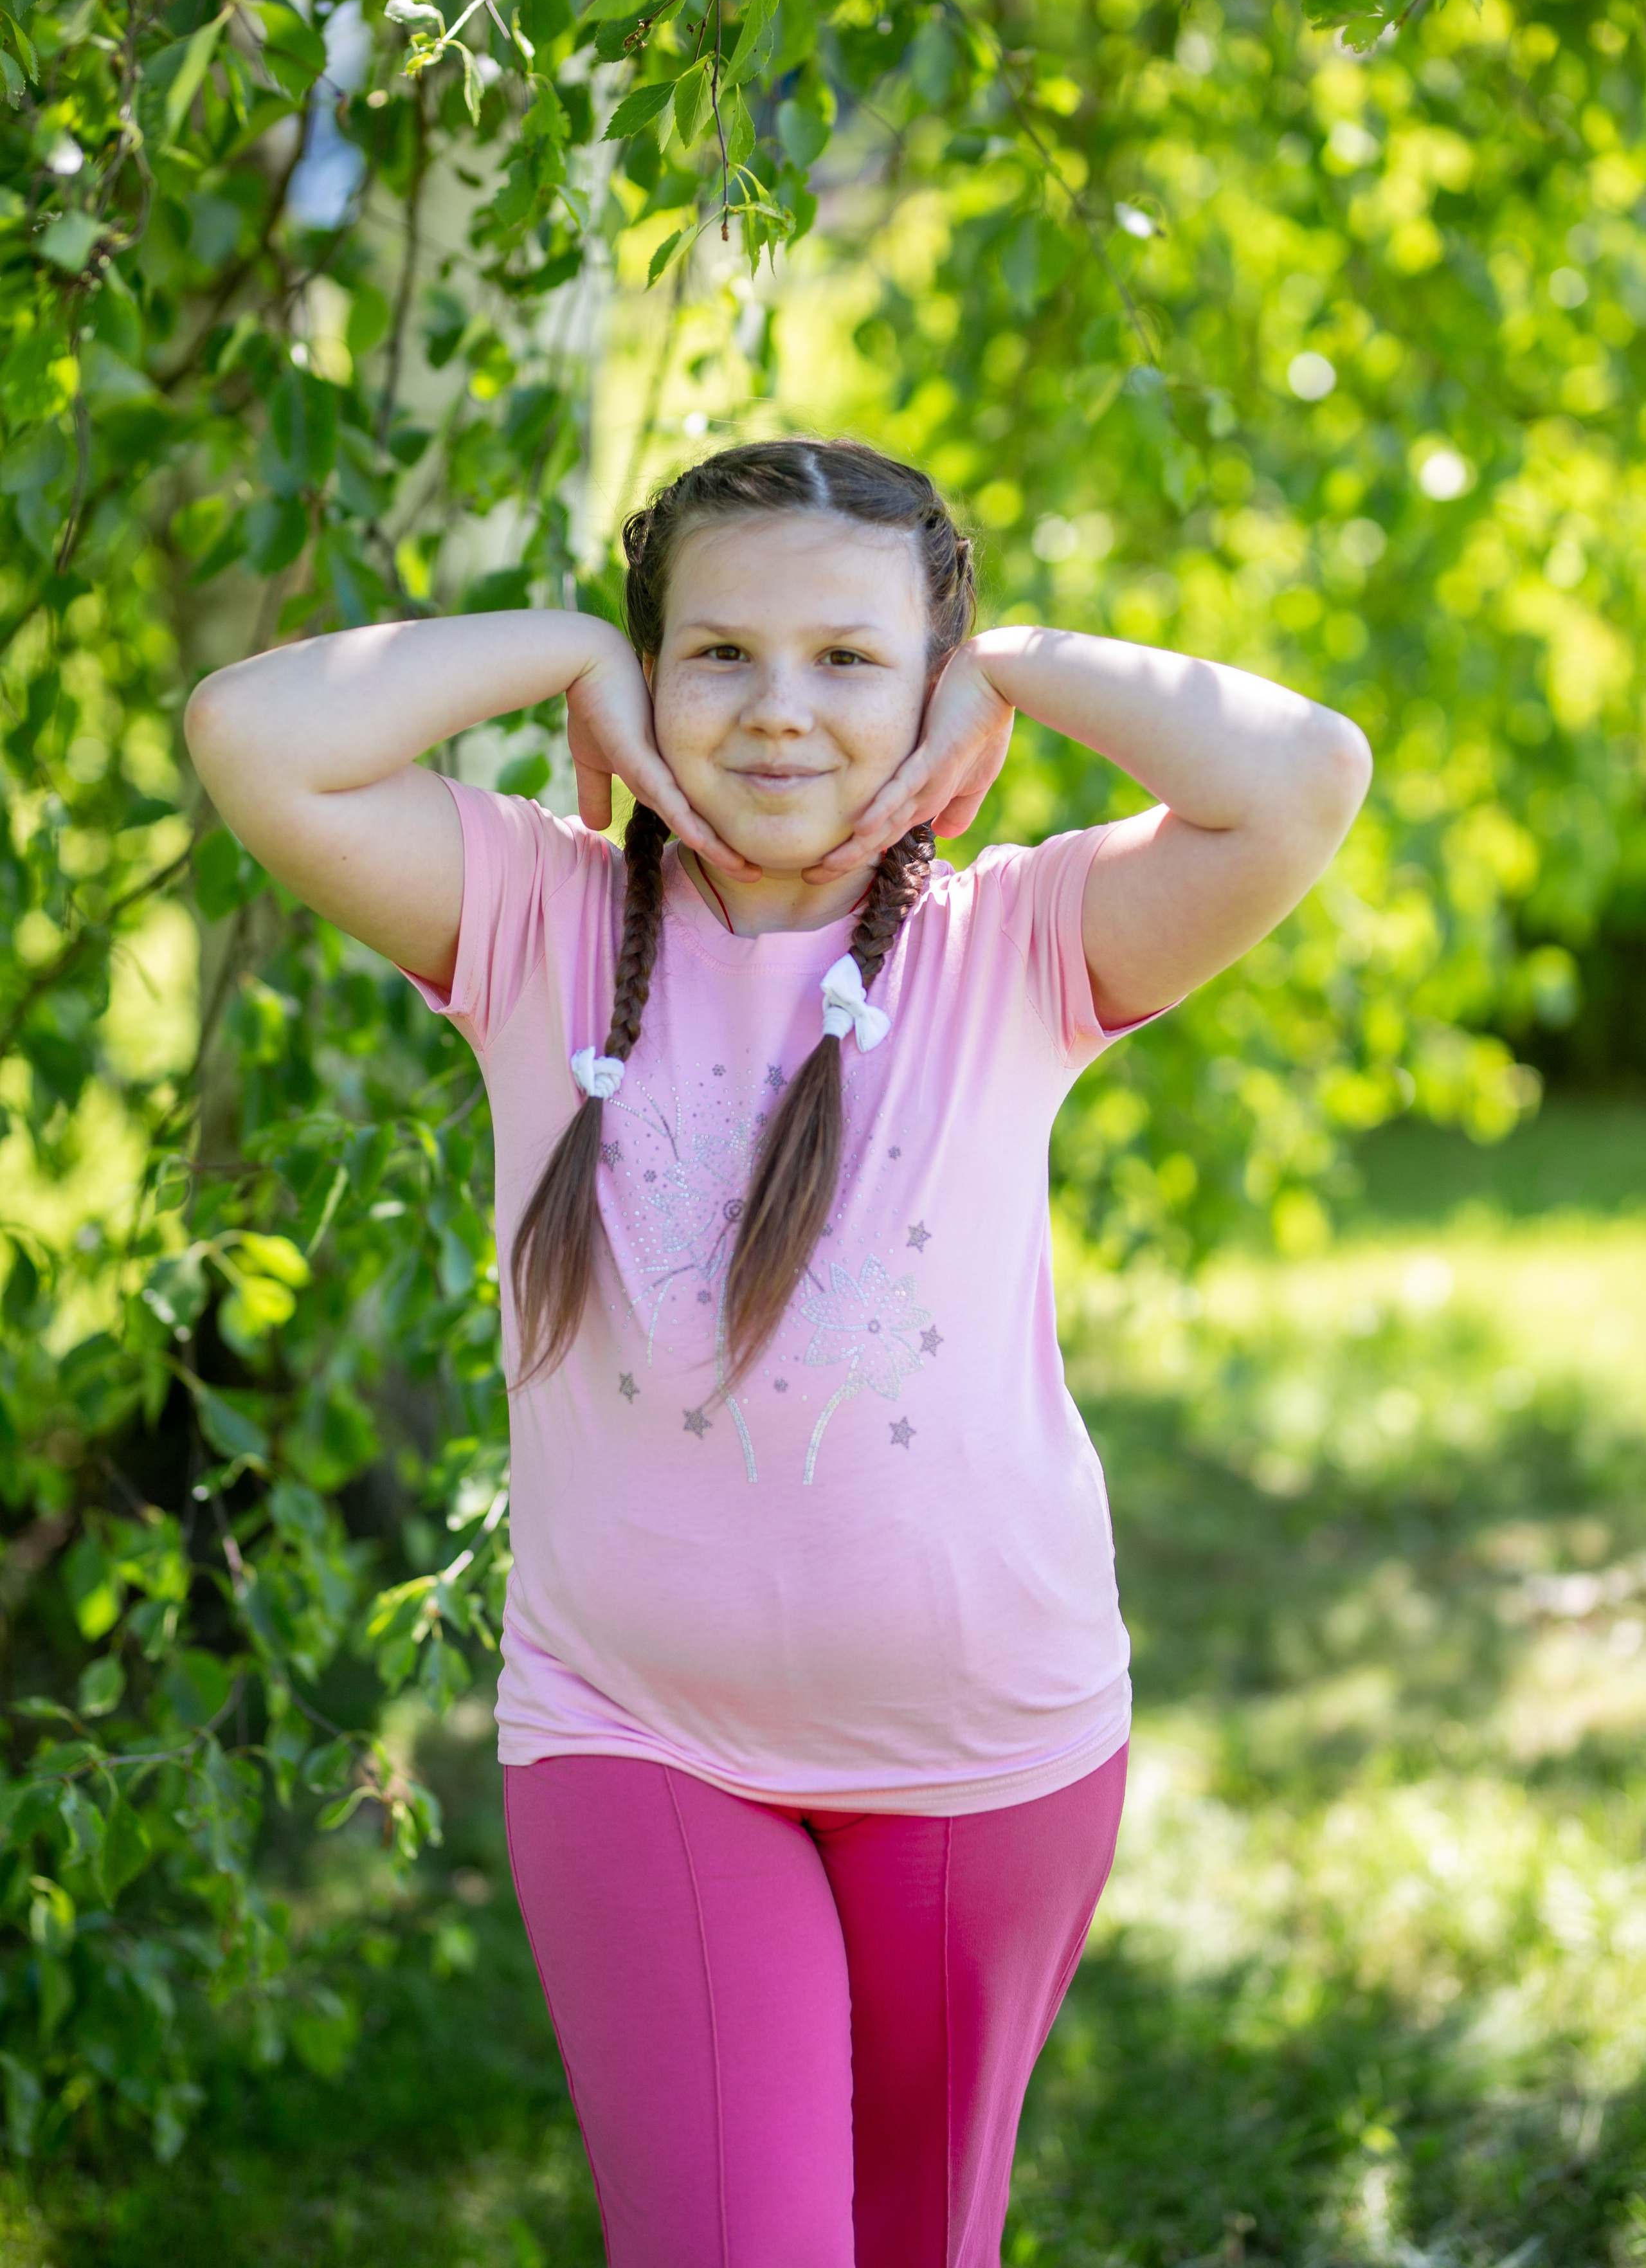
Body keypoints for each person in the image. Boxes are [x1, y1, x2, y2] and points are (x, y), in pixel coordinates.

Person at [185, 437, 1371, 2268]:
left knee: (918, 2244)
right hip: (635, 1732)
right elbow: (252, 733)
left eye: (849, 658)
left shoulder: (1020, 939)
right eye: (718, 652)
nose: (780, 708)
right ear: (653, 676)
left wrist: (1011, 664)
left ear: (928, 690)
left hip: (984, 1754)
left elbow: (1303, 777)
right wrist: (565, 644)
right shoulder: (535, 916)